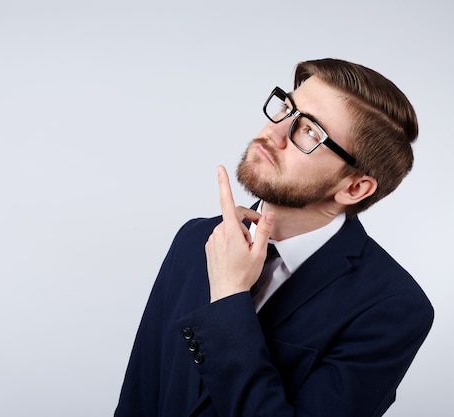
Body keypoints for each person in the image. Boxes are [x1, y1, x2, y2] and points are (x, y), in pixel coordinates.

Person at [114, 58, 434, 417]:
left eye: (310, 131)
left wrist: (229, 296)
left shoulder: (393, 308)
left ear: (355, 187)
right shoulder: (197, 239)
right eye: (286, 108)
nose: (274, 132)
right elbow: (139, 398)